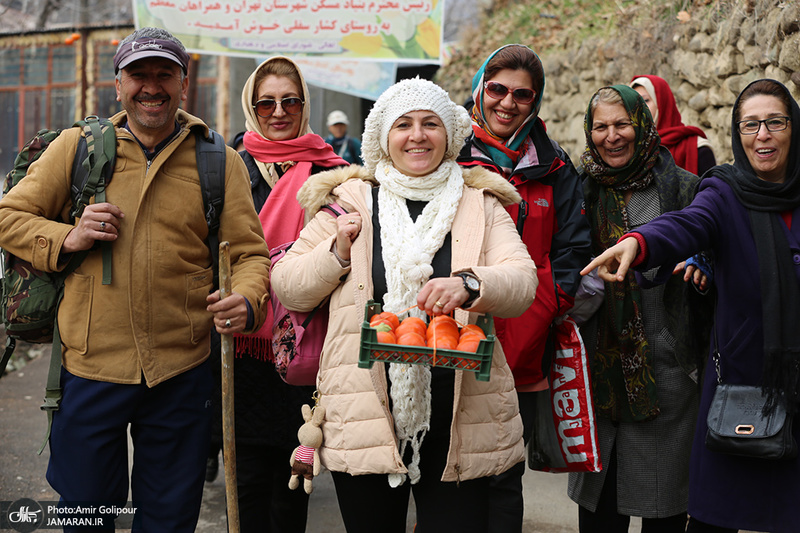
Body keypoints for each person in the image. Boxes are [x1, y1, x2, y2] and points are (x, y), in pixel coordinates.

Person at [0, 27, 270, 531]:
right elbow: (8, 216)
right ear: (118, 85)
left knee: (169, 517)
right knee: (87, 512)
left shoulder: (218, 160)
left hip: (181, 369)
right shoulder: (77, 148)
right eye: (138, 74)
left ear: (183, 84)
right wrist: (68, 236)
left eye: (164, 74)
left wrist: (248, 299)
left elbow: (250, 254)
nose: (151, 86)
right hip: (90, 365)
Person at [270, 77, 537, 533]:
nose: (417, 135)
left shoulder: (479, 203)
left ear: (449, 135)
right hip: (366, 412)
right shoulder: (348, 202)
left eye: (430, 123)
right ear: (383, 137)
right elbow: (289, 285)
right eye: (403, 125)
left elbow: (522, 282)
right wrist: (336, 253)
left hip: (460, 414)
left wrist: (471, 283)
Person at [582, 78, 800, 533]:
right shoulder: (723, 191)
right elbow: (688, 223)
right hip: (742, 384)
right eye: (750, 125)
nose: (762, 135)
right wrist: (640, 242)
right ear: (737, 134)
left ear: (793, 127)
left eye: (775, 122)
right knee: (717, 515)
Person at [456, 44, 592, 531]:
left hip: (525, 342)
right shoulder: (449, 153)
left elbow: (573, 248)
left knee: (504, 472)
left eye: (522, 95)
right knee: (448, 474)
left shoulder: (554, 166)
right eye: (498, 89)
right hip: (451, 337)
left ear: (535, 102)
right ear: (479, 89)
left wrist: (546, 303)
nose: (507, 103)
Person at [209, 56, 348, 533]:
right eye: (266, 103)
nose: (279, 111)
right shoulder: (227, 167)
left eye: (291, 101)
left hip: (307, 343)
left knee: (293, 480)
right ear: (251, 108)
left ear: (305, 105)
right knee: (245, 478)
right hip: (242, 341)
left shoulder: (334, 174)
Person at [567, 85, 714, 533]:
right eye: (601, 127)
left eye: (622, 124)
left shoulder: (683, 188)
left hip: (667, 370)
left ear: (643, 125)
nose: (612, 136)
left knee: (664, 504)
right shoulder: (579, 188)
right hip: (599, 365)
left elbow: (712, 244)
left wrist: (702, 264)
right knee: (599, 507)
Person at [630, 75, 716, 176]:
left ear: (662, 103)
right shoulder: (629, 148)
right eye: (634, 103)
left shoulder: (697, 149)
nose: (639, 108)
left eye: (646, 100)